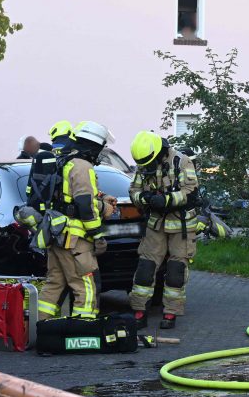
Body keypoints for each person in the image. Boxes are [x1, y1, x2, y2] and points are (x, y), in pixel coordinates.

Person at [36, 121, 112, 321]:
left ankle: (38, 329)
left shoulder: (64, 161)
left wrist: (102, 202)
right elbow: (84, 206)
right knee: (86, 285)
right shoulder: (82, 166)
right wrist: (98, 235)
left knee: (54, 284)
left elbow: (70, 198)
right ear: (93, 145)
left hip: (57, 236)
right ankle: (83, 330)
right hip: (76, 240)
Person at [128, 131, 200, 329]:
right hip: (155, 223)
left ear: (159, 151)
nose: (146, 167)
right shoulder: (145, 164)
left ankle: (171, 313)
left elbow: (191, 192)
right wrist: (144, 199)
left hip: (181, 225)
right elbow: (134, 190)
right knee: (145, 268)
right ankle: (139, 310)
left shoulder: (182, 162)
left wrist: (167, 200)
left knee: (176, 270)